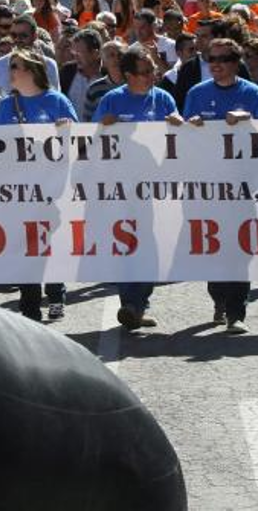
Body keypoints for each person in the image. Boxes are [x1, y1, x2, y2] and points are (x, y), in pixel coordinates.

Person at [173, 38, 258, 334]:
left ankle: (236, 311)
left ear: (235, 61)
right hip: (207, 185)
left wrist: (249, 118)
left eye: (222, 58)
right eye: (210, 58)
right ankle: (218, 298)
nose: (215, 64)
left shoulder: (253, 93)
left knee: (239, 248)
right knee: (214, 247)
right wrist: (190, 124)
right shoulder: (197, 92)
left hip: (242, 185)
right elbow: (185, 131)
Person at [93, 44, 179, 330]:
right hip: (121, 186)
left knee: (152, 246)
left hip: (156, 186)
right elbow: (91, 141)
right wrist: (102, 127)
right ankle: (131, 303)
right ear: (128, 75)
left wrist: (179, 125)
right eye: (144, 72)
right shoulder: (111, 100)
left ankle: (138, 304)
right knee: (128, 242)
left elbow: (179, 142)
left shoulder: (164, 99)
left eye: (152, 70)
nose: (150, 76)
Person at [0, 48, 78, 322]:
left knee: (49, 243)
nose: (11, 73)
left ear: (31, 70)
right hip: (20, 189)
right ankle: (29, 305)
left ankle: (56, 293)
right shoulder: (6, 106)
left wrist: (68, 128)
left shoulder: (57, 101)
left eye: (15, 66)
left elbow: (79, 142)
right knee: (25, 245)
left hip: (52, 187)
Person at [0, 16, 60, 94]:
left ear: (34, 36)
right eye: (14, 35)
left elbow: (55, 101)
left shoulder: (49, 65)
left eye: (23, 35)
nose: (17, 39)